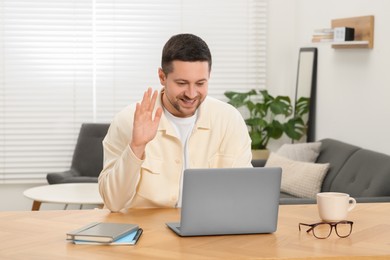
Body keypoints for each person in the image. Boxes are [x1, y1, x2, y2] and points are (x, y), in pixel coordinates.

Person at [98, 33, 252, 212]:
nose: (192, 93)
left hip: (209, 230)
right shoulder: (127, 120)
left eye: (200, 83)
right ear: (162, 77)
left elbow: (244, 194)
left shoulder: (229, 120)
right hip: (145, 233)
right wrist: (137, 146)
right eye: (182, 83)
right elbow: (113, 202)